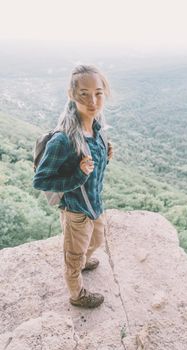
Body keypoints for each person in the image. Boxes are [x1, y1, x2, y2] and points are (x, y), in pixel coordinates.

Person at [33, 64, 113, 308]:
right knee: (74, 257)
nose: (93, 100)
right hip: (76, 211)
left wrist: (105, 154)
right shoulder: (63, 139)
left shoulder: (96, 127)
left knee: (97, 241)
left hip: (95, 205)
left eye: (98, 93)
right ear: (71, 95)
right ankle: (77, 295)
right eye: (84, 94)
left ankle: (83, 260)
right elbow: (41, 180)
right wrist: (77, 176)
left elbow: (92, 165)